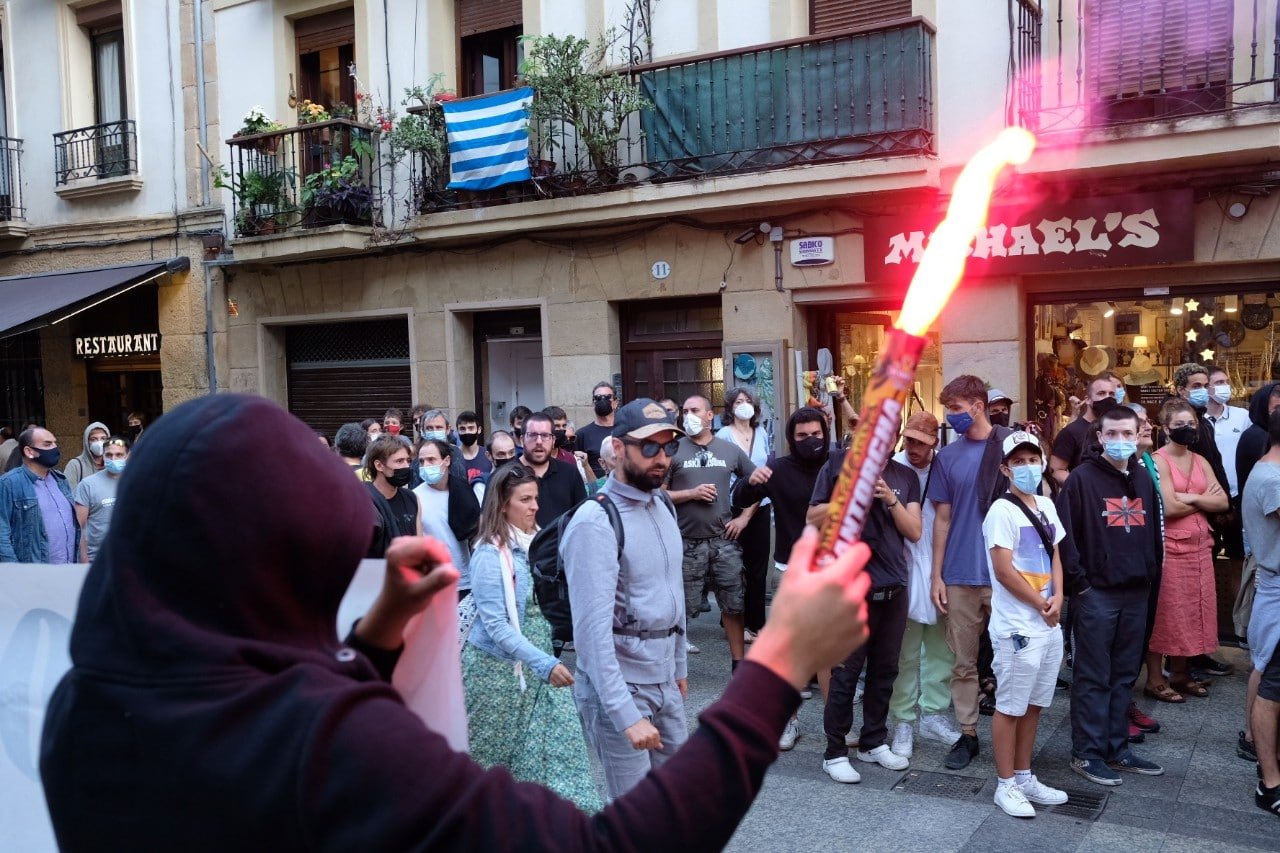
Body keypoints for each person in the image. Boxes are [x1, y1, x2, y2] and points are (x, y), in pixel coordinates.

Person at [39, 392, 875, 852]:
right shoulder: (331, 749)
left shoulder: (83, 709)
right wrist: (776, 666)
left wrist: (377, 637)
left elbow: (257, 740)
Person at [562, 398, 691, 800]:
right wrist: (623, 714)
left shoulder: (664, 504)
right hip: (618, 687)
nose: (662, 458)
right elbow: (590, 635)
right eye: (648, 446)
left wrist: (679, 666)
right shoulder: (595, 522)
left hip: (664, 678)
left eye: (669, 446)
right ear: (617, 449)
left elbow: (674, 590)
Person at [462, 463, 600, 809]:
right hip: (498, 675)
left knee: (563, 755)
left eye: (535, 498)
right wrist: (544, 663)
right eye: (525, 500)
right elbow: (496, 627)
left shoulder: (537, 544)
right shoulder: (488, 554)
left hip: (541, 669)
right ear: (502, 505)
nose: (534, 506)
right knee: (494, 766)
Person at [1057, 405, 1165, 786]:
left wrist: (1152, 578)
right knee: (1092, 676)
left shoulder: (1142, 477)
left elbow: (1154, 534)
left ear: (1138, 436)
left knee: (1124, 675)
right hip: (1097, 593)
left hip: (1137, 591)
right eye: (1113, 434)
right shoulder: (1081, 480)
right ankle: (1086, 754)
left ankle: (1117, 748)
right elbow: (1065, 539)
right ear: (1100, 437)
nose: (1120, 441)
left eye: (1127, 434)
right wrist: (1081, 585)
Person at [809, 425, 921, 783]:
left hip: (893, 588)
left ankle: (874, 741)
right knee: (846, 672)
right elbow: (812, 517)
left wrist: (890, 498)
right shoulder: (837, 464)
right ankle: (835, 751)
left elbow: (914, 531)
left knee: (885, 671)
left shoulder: (905, 476)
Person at [734, 406, 836, 750]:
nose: (811, 441)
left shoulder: (838, 464)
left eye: (817, 434)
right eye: (803, 436)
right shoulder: (778, 469)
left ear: (826, 433)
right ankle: (788, 722)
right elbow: (739, 498)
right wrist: (751, 482)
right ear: (792, 439)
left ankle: (836, 727)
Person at [982, 431, 1069, 817]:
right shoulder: (1001, 511)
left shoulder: (1046, 506)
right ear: (1005, 468)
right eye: (1018, 462)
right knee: (1011, 705)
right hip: (1018, 624)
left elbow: (1055, 555)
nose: (1027, 467)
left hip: (1047, 622)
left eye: (1033, 459)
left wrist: (1058, 598)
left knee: (1034, 704)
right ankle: (1005, 784)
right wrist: (1040, 603)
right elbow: (1003, 570)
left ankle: (1024, 774)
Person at [928, 374, 1012, 770]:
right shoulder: (946, 457)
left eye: (956, 409)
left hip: (1006, 573)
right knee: (963, 662)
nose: (950, 417)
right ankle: (968, 733)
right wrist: (936, 575)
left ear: (977, 406)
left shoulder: (1013, 448)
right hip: (960, 573)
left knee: (1011, 658)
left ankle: (1013, 732)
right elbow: (941, 519)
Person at [888, 411, 961, 758]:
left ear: (934, 442)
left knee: (941, 648)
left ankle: (933, 713)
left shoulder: (944, 468)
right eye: (910, 439)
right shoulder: (893, 468)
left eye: (922, 441)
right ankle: (902, 718)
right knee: (903, 650)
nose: (914, 447)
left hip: (941, 564)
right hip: (901, 565)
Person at [1146, 400, 1228, 700]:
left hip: (1200, 548)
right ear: (1165, 429)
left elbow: (1222, 503)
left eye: (1192, 424)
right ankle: (1155, 678)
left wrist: (1188, 497)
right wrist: (1201, 497)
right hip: (1172, 551)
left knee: (1193, 612)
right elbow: (1168, 507)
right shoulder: (1157, 461)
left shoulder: (1201, 460)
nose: (1188, 429)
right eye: (1180, 425)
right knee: (1166, 614)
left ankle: (1180, 673)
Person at [667, 394, 756, 671]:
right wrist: (690, 494)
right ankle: (673, 665)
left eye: (695, 410)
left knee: (733, 603)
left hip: (723, 541)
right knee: (680, 607)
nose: (688, 415)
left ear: (710, 416)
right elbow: (656, 494)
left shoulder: (729, 450)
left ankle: (738, 664)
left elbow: (756, 485)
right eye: (684, 410)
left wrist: (743, 518)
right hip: (685, 541)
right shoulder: (673, 450)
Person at [1242, 408, 1280, 817]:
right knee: (1269, 677)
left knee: (1265, 670)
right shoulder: (1271, 477)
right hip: (1276, 588)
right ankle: (1269, 778)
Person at [716, 386, 772, 642]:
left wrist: (748, 515)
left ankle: (755, 624)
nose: (743, 405)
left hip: (759, 506)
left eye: (747, 401)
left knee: (758, 569)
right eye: (738, 401)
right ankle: (731, 619)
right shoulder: (724, 435)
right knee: (731, 566)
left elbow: (764, 472)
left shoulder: (762, 433)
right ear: (730, 407)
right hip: (731, 506)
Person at [0, 427, 78, 563]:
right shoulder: (9, 483)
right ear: (29, 451)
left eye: (55, 443)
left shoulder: (60, 479)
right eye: (47, 444)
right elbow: (2, 534)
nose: (55, 448)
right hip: (34, 574)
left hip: (67, 569)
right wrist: (15, 571)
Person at [411, 438, 479, 576]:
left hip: (465, 577)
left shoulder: (463, 490)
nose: (425, 465)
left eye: (431, 459)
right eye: (422, 461)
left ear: (446, 461)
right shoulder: (415, 497)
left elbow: (476, 530)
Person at [1049, 374, 1119, 485]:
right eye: (1101, 393)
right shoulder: (1071, 432)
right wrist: (1083, 486)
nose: (1107, 398)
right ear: (1087, 399)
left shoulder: (1119, 430)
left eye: (1111, 394)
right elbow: (1056, 470)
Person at [522, 411, 587, 527]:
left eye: (545, 435)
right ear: (522, 440)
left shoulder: (569, 473)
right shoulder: (506, 476)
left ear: (553, 441)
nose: (539, 442)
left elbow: (582, 520)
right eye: (532, 435)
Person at [73, 436, 129, 563]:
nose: (113, 459)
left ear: (127, 455)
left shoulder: (138, 482)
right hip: (98, 561)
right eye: (109, 455)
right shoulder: (87, 485)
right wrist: (83, 559)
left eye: (119, 454)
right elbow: (77, 527)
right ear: (103, 456)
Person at [363, 434, 419, 557]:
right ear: (379, 465)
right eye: (399, 461)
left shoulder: (412, 498)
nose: (406, 466)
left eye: (408, 460)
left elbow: (419, 544)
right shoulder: (364, 502)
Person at [576, 380, 618, 478]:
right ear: (593, 403)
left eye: (607, 397)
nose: (602, 400)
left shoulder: (625, 430)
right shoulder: (582, 434)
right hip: (594, 490)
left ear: (615, 402)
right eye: (598, 398)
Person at [63, 421, 110, 491]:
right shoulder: (75, 465)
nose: (99, 443)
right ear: (87, 442)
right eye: (94, 439)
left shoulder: (113, 463)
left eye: (103, 438)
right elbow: (68, 494)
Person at [456, 410, 492, 484]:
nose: (467, 432)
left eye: (471, 428)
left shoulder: (488, 455)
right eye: (462, 429)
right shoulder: (453, 457)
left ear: (479, 430)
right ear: (457, 431)